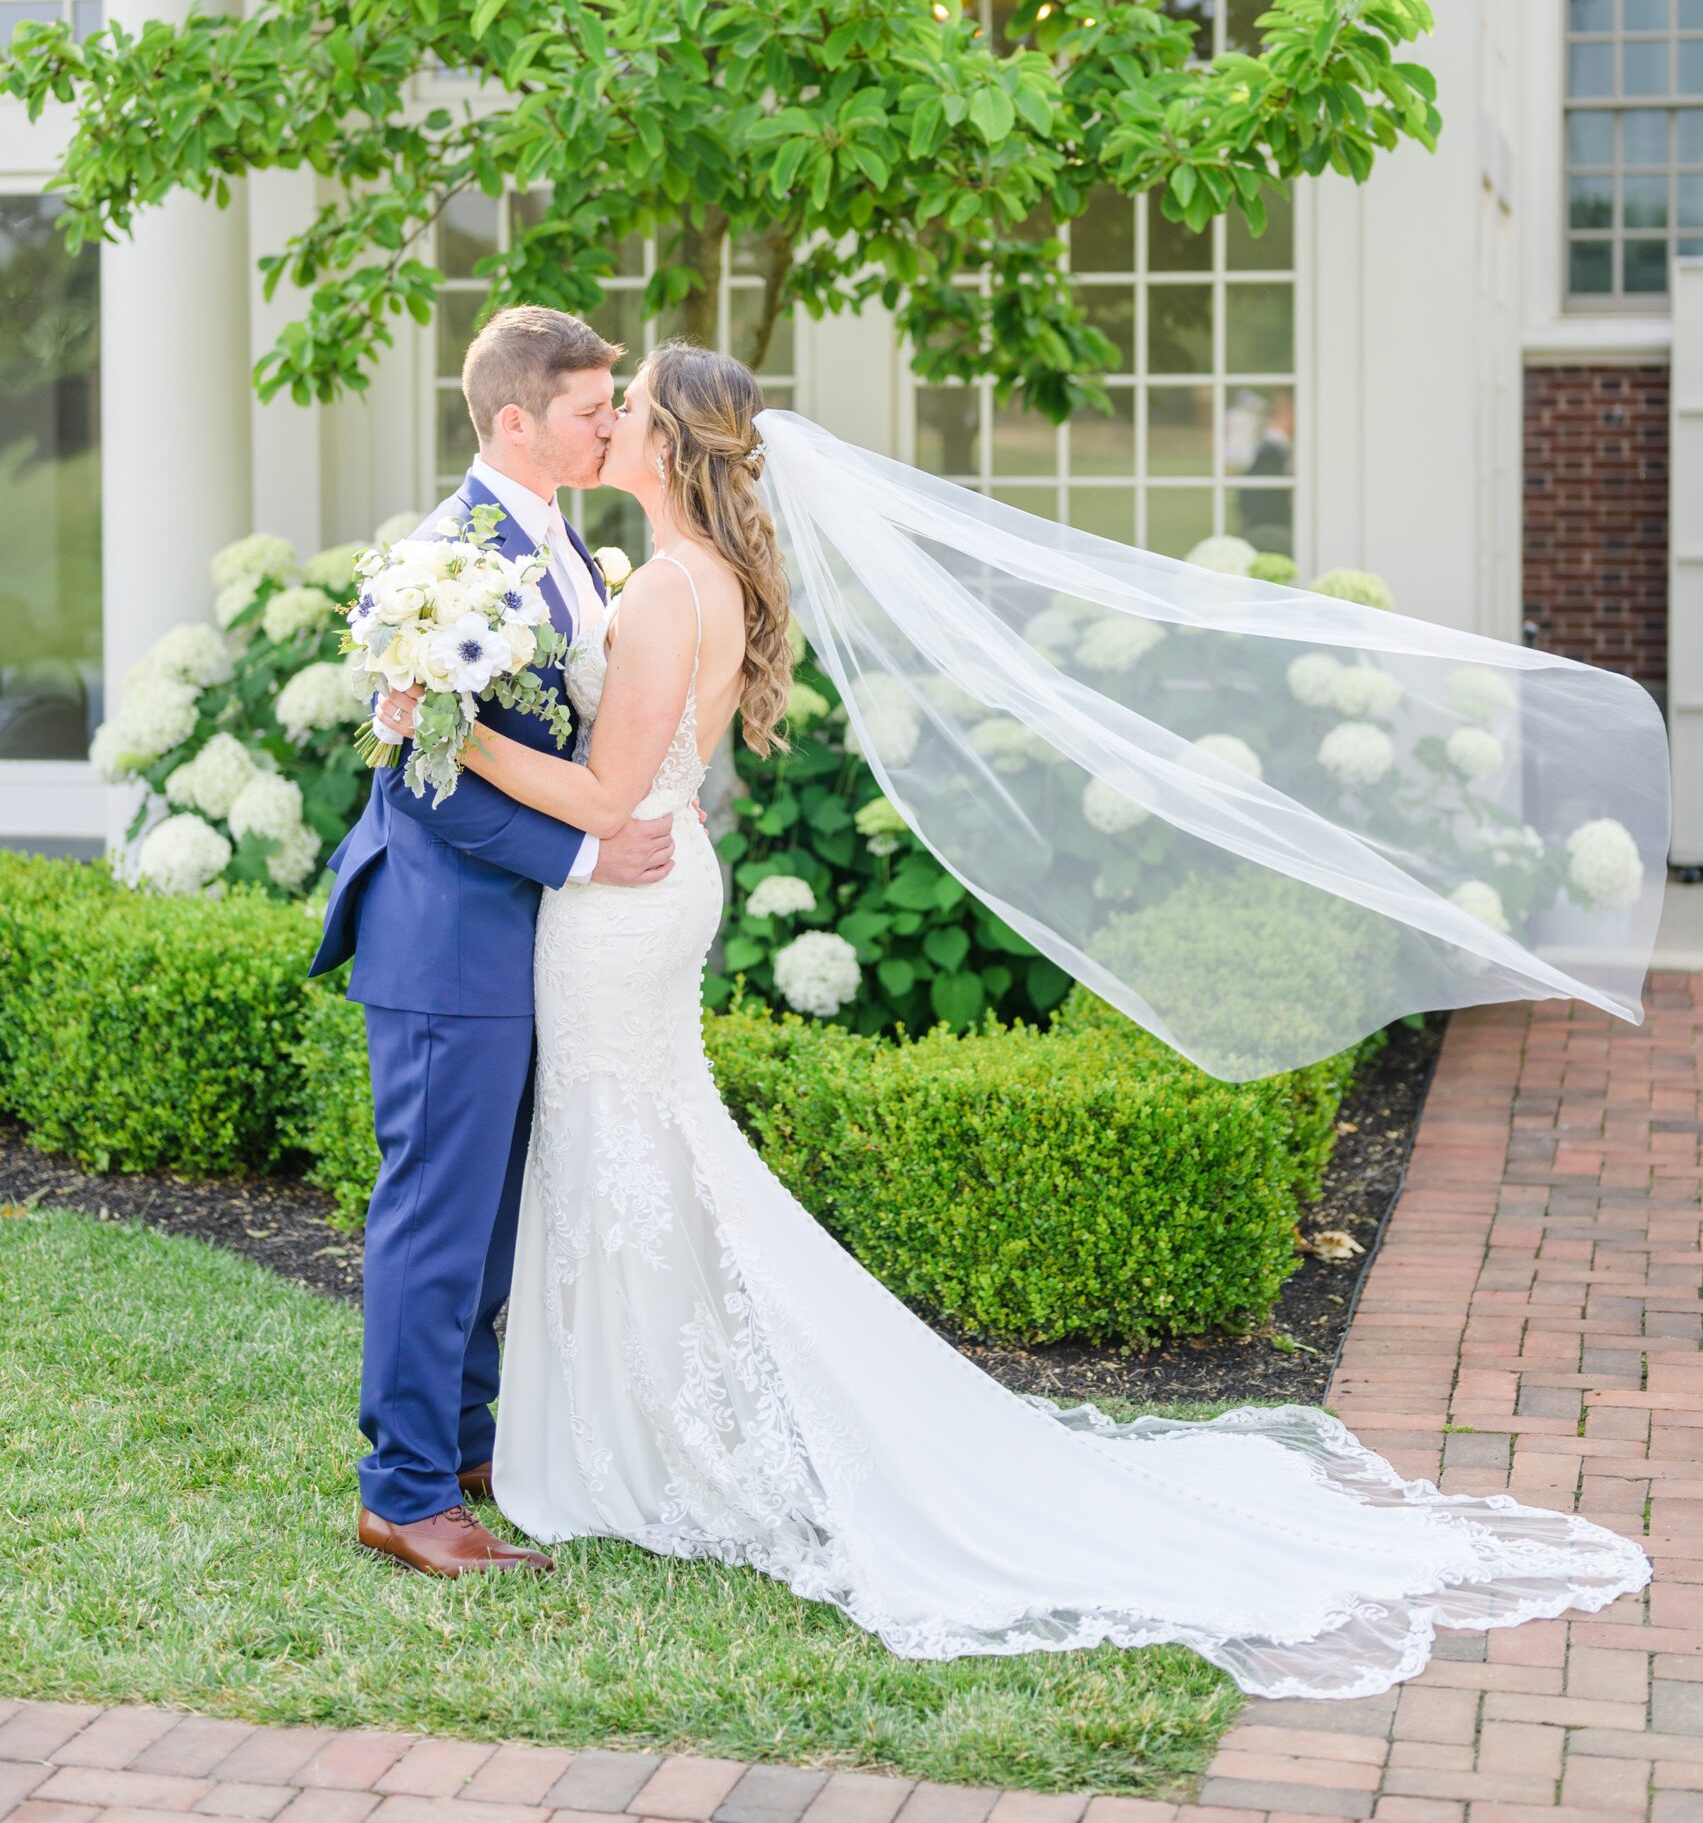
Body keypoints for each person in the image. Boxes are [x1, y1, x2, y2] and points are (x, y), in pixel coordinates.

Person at [374, 335, 1652, 1696]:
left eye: (621, 408)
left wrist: (429, 722)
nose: (605, 420)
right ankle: (579, 1423)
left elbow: (603, 792)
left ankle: (627, 1434)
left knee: (634, 1153)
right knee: (645, 1158)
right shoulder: (702, 575)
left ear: (667, 446)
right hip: (650, 893)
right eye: (594, 404)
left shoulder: (652, 597)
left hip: (618, 900)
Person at [310, 308, 679, 1578]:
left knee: (497, 1217)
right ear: (514, 419)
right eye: (592, 407)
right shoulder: (445, 560)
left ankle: (465, 1448)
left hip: (528, 947)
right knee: (435, 1218)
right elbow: (428, 773)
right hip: (445, 944)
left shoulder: (563, 537)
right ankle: (403, 1494)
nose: (612, 420)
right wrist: (587, 853)